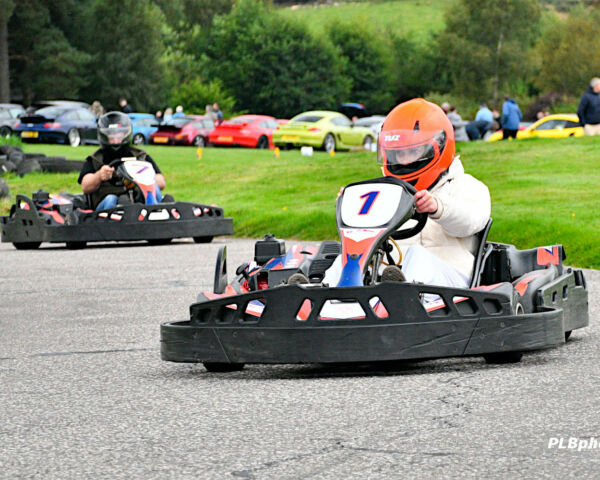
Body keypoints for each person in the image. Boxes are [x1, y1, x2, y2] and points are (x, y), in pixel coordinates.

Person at [324, 98, 491, 290]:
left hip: (451, 279)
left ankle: (397, 293)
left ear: (438, 147)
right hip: (391, 275)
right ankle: (319, 296)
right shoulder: (385, 191)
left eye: (412, 151)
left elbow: (470, 222)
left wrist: (438, 208)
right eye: (398, 154)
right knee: (346, 261)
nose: (403, 162)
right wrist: (353, 208)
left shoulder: (467, 186)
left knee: (418, 256)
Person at [78, 111, 166, 211]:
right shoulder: (96, 159)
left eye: (119, 136)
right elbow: (85, 186)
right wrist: (99, 176)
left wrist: (145, 177)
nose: (116, 141)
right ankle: (111, 223)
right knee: (112, 199)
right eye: (112, 137)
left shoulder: (140, 155)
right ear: (104, 136)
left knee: (154, 189)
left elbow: (161, 182)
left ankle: (155, 213)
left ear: (126, 134)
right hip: (107, 204)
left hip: (137, 200)